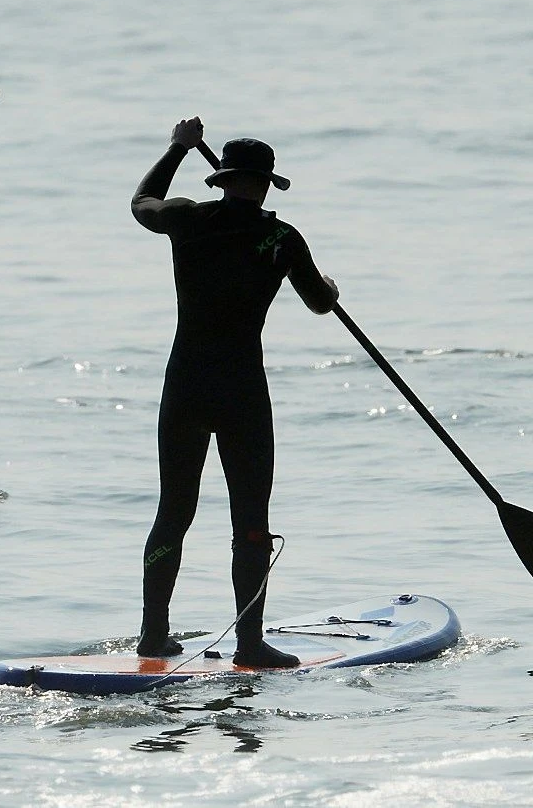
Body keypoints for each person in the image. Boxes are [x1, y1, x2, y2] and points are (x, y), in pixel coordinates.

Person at [131, 117, 339, 668]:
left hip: (185, 384)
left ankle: (152, 637)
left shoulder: (187, 220)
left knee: (172, 512)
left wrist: (175, 148)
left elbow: (141, 201)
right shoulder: (282, 238)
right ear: (267, 184)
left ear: (220, 180)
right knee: (250, 518)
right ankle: (250, 645)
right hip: (242, 389)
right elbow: (319, 302)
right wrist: (332, 288)